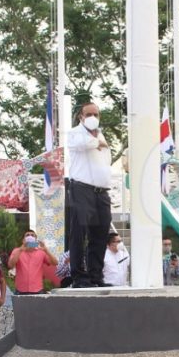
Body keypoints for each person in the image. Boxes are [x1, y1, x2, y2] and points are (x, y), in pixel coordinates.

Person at [66, 102, 113, 288]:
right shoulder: (75, 133)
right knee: (79, 232)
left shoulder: (101, 134)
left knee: (100, 234)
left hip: (101, 191)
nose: (93, 117)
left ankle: (95, 276)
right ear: (81, 117)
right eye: (89, 114)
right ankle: (79, 276)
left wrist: (99, 140)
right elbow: (79, 144)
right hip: (82, 187)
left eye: (96, 114)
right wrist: (97, 142)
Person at [8, 230, 57, 294]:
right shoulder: (17, 251)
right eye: (27, 235)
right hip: (20, 290)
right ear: (23, 239)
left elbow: (55, 263)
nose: (30, 236)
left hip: (37, 290)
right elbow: (10, 265)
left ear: (35, 239)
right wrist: (20, 250)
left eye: (32, 235)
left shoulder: (41, 252)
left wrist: (46, 250)